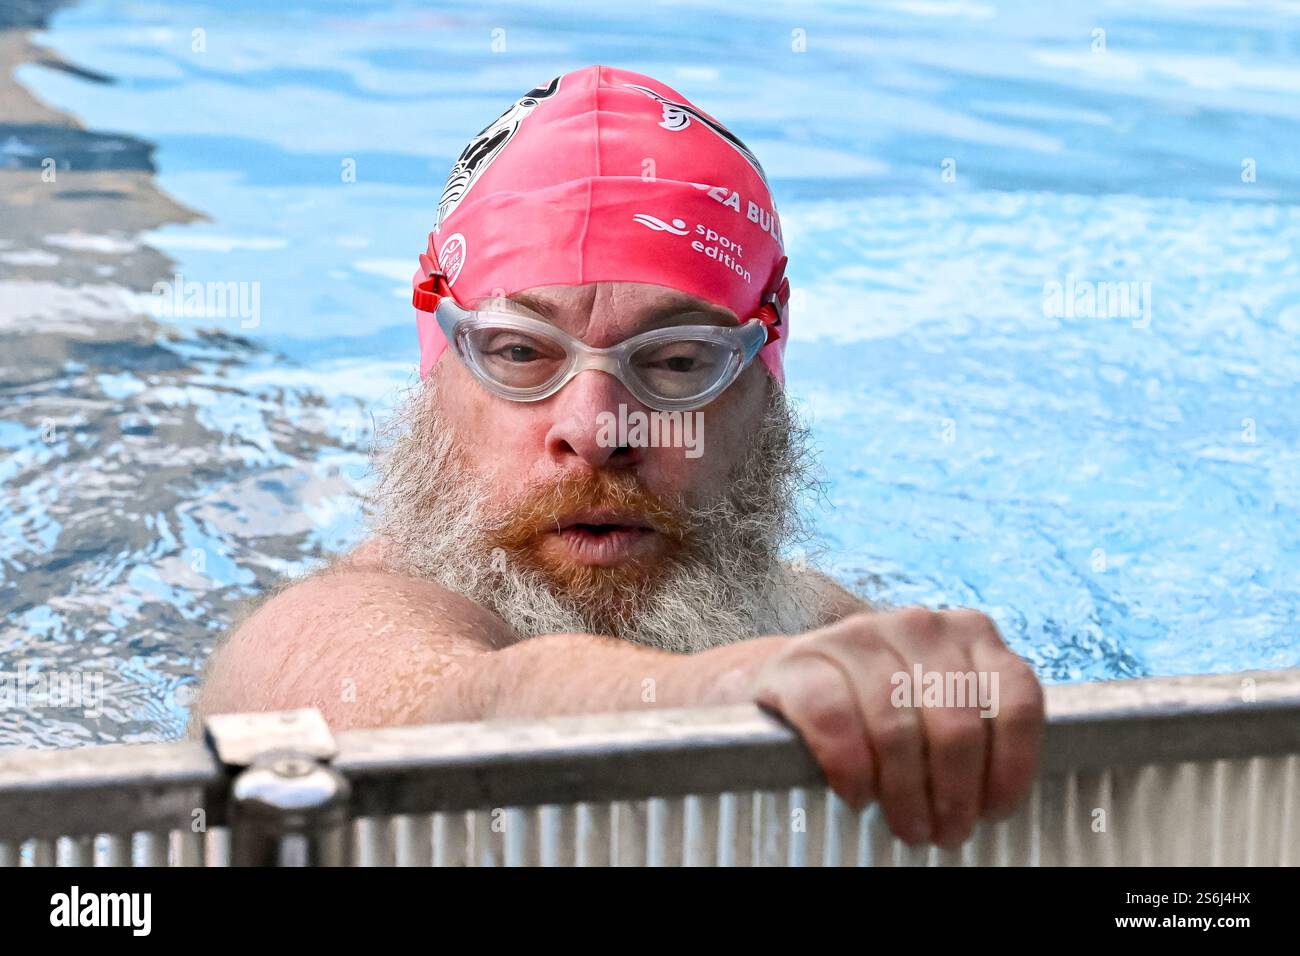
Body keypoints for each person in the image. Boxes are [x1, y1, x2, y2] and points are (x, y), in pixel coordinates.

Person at [196, 65, 1044, 849]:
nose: (599, 430)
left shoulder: (831, 637)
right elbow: (466, 704)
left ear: (768, 398)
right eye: (520, 355)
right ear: (436, 384)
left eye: (678, 362)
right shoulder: (327, 628)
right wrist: (723, 694)